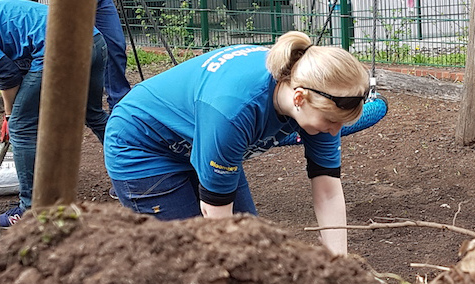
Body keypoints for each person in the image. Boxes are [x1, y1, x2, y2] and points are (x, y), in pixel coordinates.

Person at [103, 33, 368, 256]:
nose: (335, 130)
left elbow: (328, 191)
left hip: (203, 139)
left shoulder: (320, 101)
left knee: (253, 248)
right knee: (188, 258)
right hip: (143, 145)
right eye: (332, 122)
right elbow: (217, 219)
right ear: (299, 98)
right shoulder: (235, 111)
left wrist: (340, 266)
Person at [0, 0, 110, 227]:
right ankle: (135, 175)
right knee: (93, 114)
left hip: (58, 49)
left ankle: (30, 211)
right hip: (92, 39)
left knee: (21, 127)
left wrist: (9, 116)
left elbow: (7, 74)